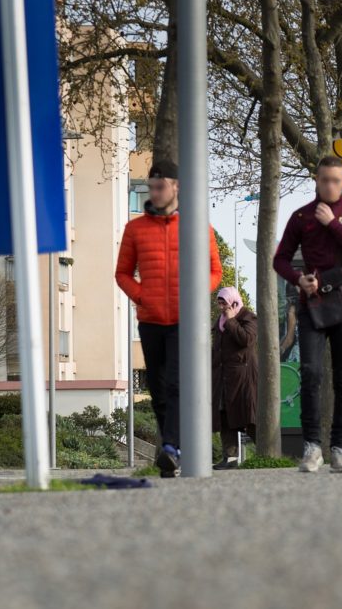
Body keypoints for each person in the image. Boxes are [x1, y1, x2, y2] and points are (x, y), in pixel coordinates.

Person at [115, 161, 223, 477]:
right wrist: (141, 296)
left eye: (160, 186)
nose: (155, 192)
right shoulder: (135, 229)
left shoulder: (198, 227)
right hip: (150, 320)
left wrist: (197, 292)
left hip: (183, 320)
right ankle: (171, 451)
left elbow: (215, 270)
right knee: (159, 389)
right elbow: (122, 273)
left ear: (176, 187)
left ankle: (172, 447)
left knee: (176, 384)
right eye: (151, 187)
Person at [272, 155, 342, 473]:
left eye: (335, 180)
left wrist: (332, 224)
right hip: (311, 304)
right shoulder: (301, 216)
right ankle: (312, 447)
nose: (329, 185)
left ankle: (339, 450)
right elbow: (281, 259)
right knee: (311, 374)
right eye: (324, 179)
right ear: (316, 180)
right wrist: (297, 279)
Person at [211, 287, 258, 470]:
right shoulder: (220, 321)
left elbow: (247, 340)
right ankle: (230, 458)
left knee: (248, 416)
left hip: (243, 378)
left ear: (233, 301)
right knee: (225, 416)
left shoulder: (248, 317)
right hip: (223, 378)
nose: (222, 307)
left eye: (224, 302)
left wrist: (231, 321)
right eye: (220, 303)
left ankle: (265, 453)